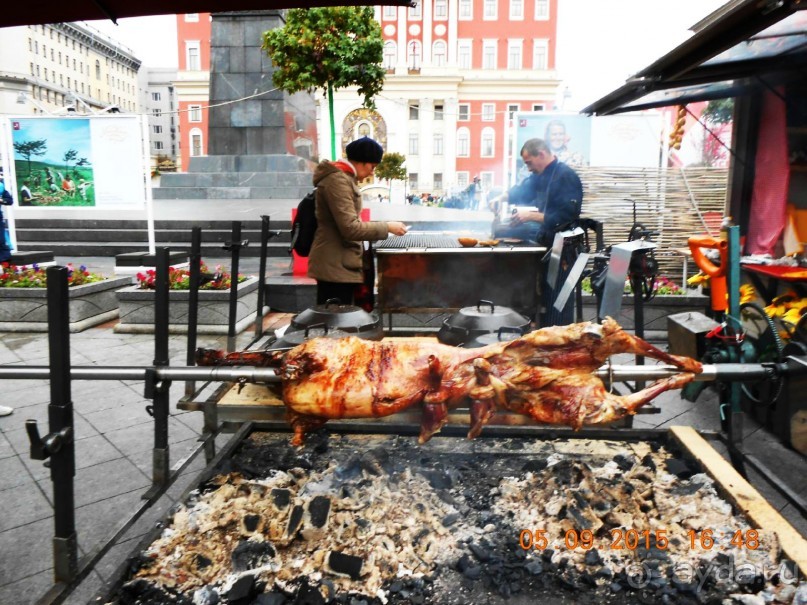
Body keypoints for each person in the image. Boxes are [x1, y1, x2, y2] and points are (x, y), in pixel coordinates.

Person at [308, 136, 408, 308]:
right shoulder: (337, 181)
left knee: (340, 323)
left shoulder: (344, 179)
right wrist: (387, 227)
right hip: (334, 266)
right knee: (334, 324)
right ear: (361, 162)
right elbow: (350, 228)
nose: (372, 172)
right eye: (372, 167)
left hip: (340, 263)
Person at [494, 137, 583, 246]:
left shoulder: (566, 176)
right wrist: (501, 198)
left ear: (541, 155)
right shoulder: (540, 175)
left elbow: (566, 219)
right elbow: (523, 190)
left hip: (564, 245)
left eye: (529, 163)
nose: (529, 169)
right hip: (546, 237)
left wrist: (530, 216)